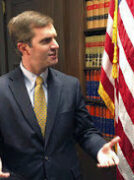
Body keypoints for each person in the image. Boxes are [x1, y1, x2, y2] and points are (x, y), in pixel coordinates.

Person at [0, 10, 120, 179]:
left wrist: (99, 148)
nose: (55, 45)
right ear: (24, 48)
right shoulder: (2, 89)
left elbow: (85, 131)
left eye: (54, 37)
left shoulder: (70, 85)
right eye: (46, 41)